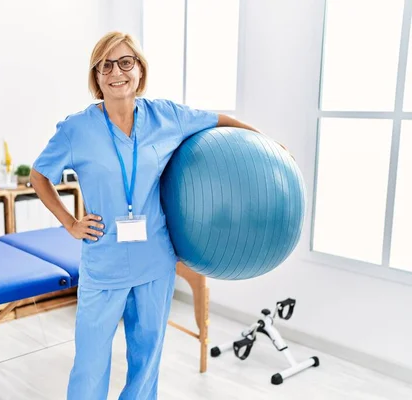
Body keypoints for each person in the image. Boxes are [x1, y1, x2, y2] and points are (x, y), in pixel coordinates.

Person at [30, 31, 289, 400]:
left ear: (139, 70)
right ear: (96, 76)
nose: (116, 72)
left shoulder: (166, 116)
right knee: (90, 364)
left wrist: (271, 146)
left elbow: (220, 121)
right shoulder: (77, 129)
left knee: (147, 360)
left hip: (155, 262)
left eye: (125, 62)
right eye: (106, 64)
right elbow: (39, 176)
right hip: (105, 263)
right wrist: (70, 223)